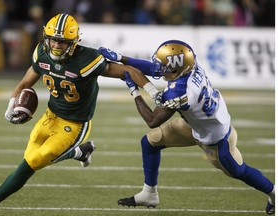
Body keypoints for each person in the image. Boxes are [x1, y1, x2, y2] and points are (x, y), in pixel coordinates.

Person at [0, 13, 160, 207]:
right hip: (50, 116)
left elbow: (129, 71)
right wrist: (11, 104)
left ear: (73, 42)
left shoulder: (87, 59)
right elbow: (25, 82)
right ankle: (80, 153)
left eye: (62, 42)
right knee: (31, 157)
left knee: (33, 161)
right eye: (53, 40)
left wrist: (153, 93)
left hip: (74, 125)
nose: (56, 45)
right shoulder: (41, 53)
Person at [98, 40, 275, 214]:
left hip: (217, 139)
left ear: (176, 69)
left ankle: (274, 192)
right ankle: (149, 194)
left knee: (239, 171)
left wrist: (134, 90)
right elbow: (154, 69)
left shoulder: (181, 92)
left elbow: (152, 119)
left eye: (164, 67)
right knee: (151, 141)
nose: (159, 69)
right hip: (197, 124)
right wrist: (121, 58)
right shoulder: (189, 65)